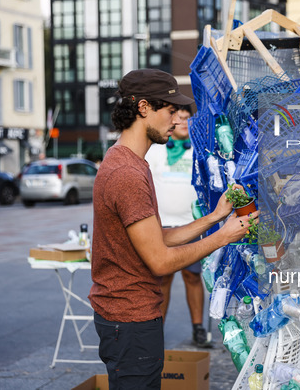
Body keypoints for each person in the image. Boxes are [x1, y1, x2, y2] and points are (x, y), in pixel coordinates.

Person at [88, 68, 258, 389]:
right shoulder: (126, 173)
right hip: (130, 319)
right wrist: (223, 237)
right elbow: (160, 261)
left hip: (127, 317)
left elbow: (157, 238)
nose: (178, 120)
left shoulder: (129, 162)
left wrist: (212, 219)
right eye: (169, 111)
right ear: (143, 109)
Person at [145, 104, 211, 348]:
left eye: (187, 118)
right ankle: (156, 331)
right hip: (162, 227)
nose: (183, 122)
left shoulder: (201, 150)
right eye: (179, 117)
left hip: (192, 225)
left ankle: (198, 329)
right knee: (162, 281)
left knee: (193, 277)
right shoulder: (156, 150)